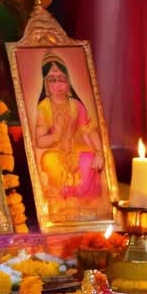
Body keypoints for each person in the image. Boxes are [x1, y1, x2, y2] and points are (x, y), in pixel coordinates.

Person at [32, 53, 105, 212]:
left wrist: (100, 152)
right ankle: (58, 205)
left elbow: (89, 129)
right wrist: (55, 136)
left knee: (90, 158)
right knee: (52, 162)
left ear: (68, 82)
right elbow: (39, 141)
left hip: (74, 151)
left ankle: (84, 203)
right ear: (46, 85)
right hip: (55, 152)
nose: (57, 84)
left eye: (61, 79)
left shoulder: (76, 105)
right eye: (52, 79)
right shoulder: (44, 107)